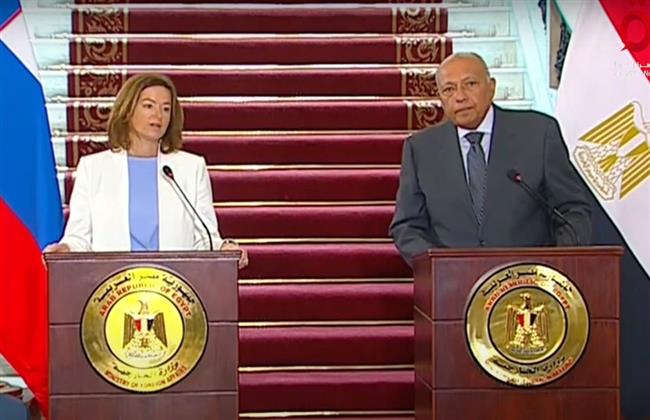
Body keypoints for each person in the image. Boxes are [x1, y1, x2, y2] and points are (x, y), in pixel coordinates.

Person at [390, 52, 591, 265]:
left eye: (470, 84)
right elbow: (407, 226)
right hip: (454, 280)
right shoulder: (421, 148)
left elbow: (572, 211)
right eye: (449, 89)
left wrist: (555, 266)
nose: (460, 96)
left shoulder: (538, 133)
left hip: (529, 279)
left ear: (492, 87)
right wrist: (440, 266)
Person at [44, 74, 248, 268]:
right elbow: (79, 238)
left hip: (173, 285)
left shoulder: (191, 168)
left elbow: (205, 239)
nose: (158, 115)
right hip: (114, 285)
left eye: (166, 108)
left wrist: (224, 248)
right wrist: (65, 249)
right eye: (149, 106)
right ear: (128, 110)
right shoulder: (93, 168)